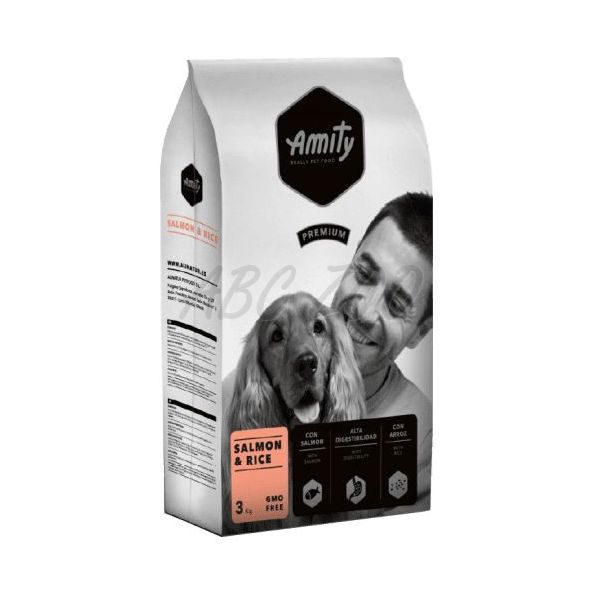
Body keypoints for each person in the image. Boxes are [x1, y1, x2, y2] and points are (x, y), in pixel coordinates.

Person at [332, 192, 433, 509]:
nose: (365, 312)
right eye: (363, 274)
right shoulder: (263, 365)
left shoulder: (421, 438)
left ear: (419, 332)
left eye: (397, 305)